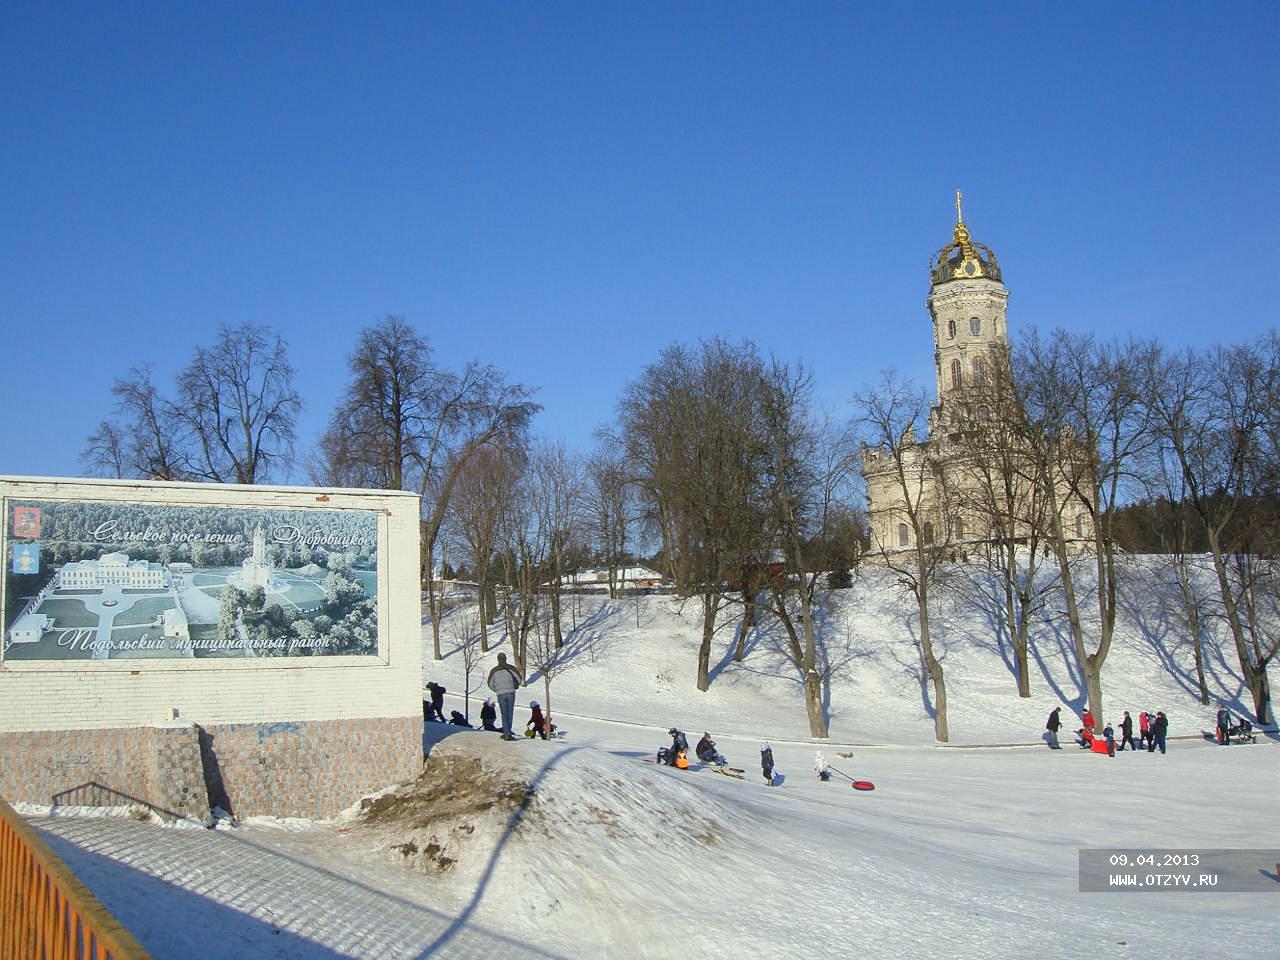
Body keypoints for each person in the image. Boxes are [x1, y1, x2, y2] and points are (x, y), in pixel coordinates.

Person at [486, 652, 523, 741]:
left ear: (498, 659)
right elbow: (519, 679)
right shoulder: (511, 668)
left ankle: (506, 733)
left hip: (500, 694)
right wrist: (513, 686)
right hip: (511, 692)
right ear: (505, 659)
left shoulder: (494, 670)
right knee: (510, 713)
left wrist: (497, 689)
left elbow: (490, 684)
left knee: (504, 714)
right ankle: (508, 733)